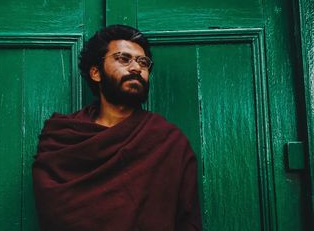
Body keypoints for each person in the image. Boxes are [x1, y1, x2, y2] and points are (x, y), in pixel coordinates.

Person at [32, 25, 202, 231]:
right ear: (96, 73)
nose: (136, 68)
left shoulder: (168, 142)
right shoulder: (62, 139)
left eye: (143, 62)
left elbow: (187, 220)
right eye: (123, 58)